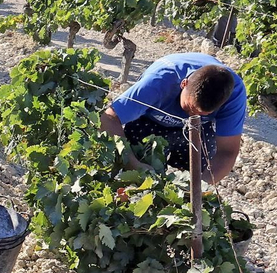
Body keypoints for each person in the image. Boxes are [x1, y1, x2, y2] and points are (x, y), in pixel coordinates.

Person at [99, 52, 246, 184]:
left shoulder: (234, 95)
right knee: (138, 174)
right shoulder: (157, 83)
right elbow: (109, 118)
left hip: (199, 129)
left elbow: (227, 152)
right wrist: (133, 164)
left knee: (201, 172)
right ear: (184, 84)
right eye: (190, 108)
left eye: (202, 114)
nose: (192, 116)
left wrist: (200, 186)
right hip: (151, 119)